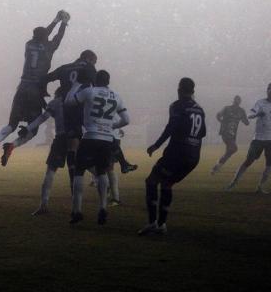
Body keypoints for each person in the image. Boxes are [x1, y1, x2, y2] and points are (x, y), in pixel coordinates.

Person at [0, 10, 70, 166]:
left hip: (23, 85)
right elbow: (57, 37)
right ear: (45, 37)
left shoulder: (29, 44)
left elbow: (43, 34)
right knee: (33, 128)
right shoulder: (49, 47)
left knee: (12, 123)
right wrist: (63, 23)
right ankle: (12, 146)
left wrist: (55, 20)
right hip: (35, 89)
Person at [138, 78, 206, 236]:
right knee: (167, 184)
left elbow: (171, 127)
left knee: (151, 181)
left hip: (177, 153)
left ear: (179, 89)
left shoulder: (176, 106)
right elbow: (203, 132)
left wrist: (156, 145)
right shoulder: (200, 109)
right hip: (193, 157)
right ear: (193, 91)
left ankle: (153, 223)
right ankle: (161, 224)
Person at [65, 70, 130, 225]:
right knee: (102, 172)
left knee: (79, 171)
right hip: (107, 139)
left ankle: (77, 210)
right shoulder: (116, 96)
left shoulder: (89, 91)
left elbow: (68, 102)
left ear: (95, 80)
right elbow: (126, 119)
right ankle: (102, 208)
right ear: (108, 81)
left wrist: (76, 84)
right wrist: (111, 125)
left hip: (90, 136)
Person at [45, 50, 98, 188]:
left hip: (66, 111)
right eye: (94, 62)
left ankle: (77, 185)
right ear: (88, 58)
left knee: (70, 153)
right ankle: (99, 177)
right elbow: (96, 87)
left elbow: (47, 78)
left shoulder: (64, 67)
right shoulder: (89, 67)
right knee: (81, 153)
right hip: (81, 112)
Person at [17, 87, 68, 215]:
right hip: (77, 137)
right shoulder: (75, 100)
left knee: (50, 171)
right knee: (84, 168)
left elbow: (43, 117)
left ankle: (44, 204)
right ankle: (104, 186)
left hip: (61, 138)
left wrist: (28, 128)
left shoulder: (55, 102)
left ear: (57, 94)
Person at [226, 83, 271, 193]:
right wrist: (257, 115)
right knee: (249, 160)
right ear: (267, 90)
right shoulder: (260, 103)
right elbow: (250, 115)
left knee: (269, 164)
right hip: (258, 138)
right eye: (269, 89)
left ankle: (260, 187)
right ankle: (234, 182)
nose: (270, 91)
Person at [211, 95, 249, 174]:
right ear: (233, 101)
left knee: (229, 152)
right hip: (225, 133)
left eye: (238, 101)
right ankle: (218, 165)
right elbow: (218, 115)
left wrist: (247, 117)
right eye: (236, 100)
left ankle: (217, 166)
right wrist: (221, 122)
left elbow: (246, 123)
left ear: (240, 102)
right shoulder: (227, 108)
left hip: (233, 134)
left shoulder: (241, 111)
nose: (237, 102)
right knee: (234, 148)